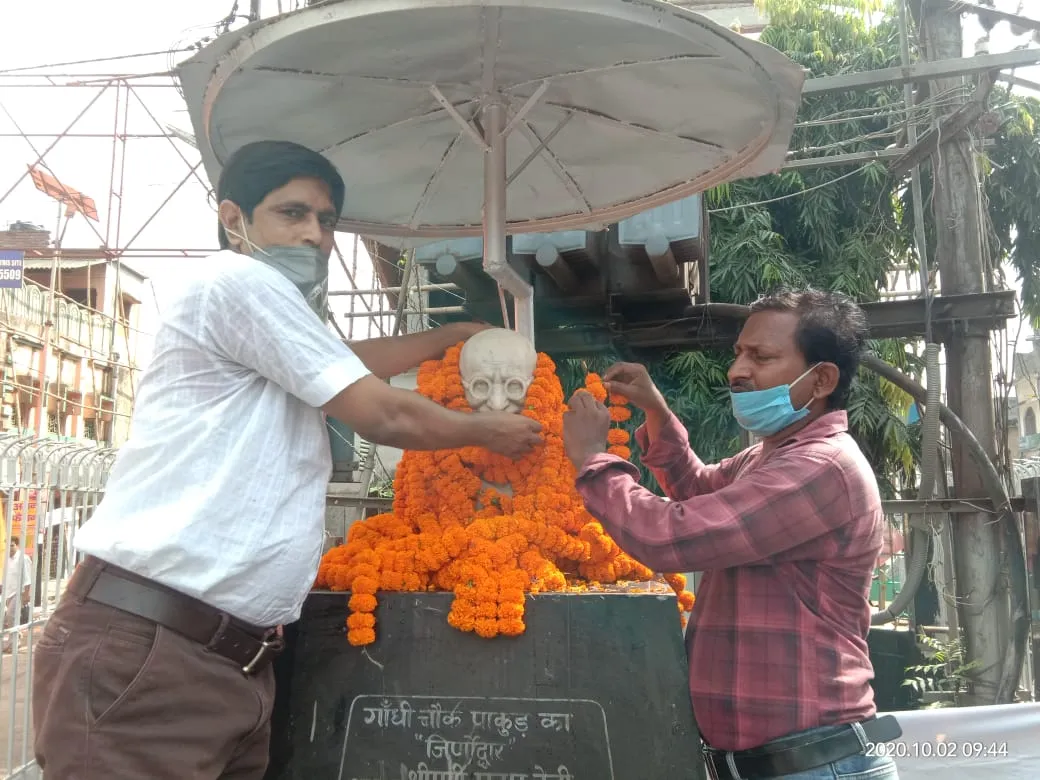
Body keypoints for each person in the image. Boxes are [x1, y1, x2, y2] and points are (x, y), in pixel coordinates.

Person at [31, 140, 543, 780]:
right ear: (234, 219)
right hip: (154, 655)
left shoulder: (277, 313)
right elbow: (384, 414)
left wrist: (447, 338)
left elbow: (341, 360)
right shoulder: (240, 280)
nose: (314, 235)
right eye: (292, 213)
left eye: (326, 221)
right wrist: (489, 432)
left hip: (229, 663)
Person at [562, 288, 901, 779]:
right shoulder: (769, 455)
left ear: (822, 379)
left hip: (811, 764)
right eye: (739, 353)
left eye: (760, 356)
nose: (736, 370)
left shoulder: (822, 466)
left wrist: (594, 460)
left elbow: (672, 536)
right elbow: (697, 490)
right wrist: (656, 410)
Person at [2, 536, 33, 653]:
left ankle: (15, 642)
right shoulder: (7, 559)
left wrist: (26, 595)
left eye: (12, 545)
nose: (10, 548)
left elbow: (28, 579)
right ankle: (15, 637)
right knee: (10, 618)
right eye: (8, 545)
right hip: (8, 593)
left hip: (18, 592)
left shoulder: (23, 558)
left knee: (11, 616)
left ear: (17, 545)